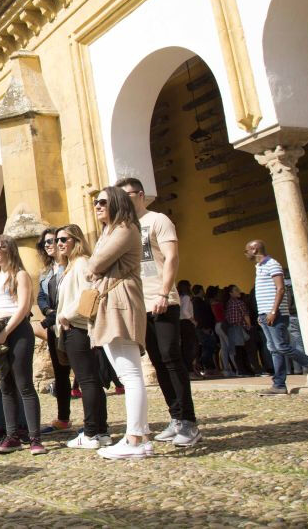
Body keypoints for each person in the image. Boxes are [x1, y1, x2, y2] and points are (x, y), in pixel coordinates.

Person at [116, 177, 200, 447]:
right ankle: (175, 418)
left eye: (127, 195)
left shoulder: (158, 220)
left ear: (140, 195)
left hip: (162, 299)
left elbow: (171, 256)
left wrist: (164, 292)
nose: (124, 201)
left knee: (171, 358)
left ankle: (189, 422)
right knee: (157, 360)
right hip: (139, 304)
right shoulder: (125, 228)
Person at [88, 187, 151, 460]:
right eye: (95, 202)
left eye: (102, 201)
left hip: (120, 300)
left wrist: (95, 266)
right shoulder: (110, 231)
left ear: (116, 202)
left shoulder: (124, 229)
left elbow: (95, 263)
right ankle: (141, 435)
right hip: (113, 298)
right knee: (128, 373)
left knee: (129, 375)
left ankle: (135, 438)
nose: (97, 206)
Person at [0, 237, 44, 455]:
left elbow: (23, 306)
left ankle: (35, 437)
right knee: (5, 386)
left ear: (10, 250)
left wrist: (6, 332)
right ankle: (12, 436)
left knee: (24, 385)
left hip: (17, 331)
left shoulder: (20, 275)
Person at [53, 224, 111, 449]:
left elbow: (89, 296)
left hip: (77, 328)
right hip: (73, 327)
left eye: (64, 239)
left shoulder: (81, 263)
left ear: (76, 240)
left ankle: (90, 432)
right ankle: (101, 431)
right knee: (91, 381)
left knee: (88, 381)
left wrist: (67, 316)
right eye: (58, 239)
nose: (59, 243)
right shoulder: (70, 266)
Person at [244, 240, 308, 395]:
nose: (245, 254)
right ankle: (279, 384)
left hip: (276, 314)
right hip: (265, 314)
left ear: (254, 250)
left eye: (246, 251)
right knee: (274, 349)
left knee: (281, 346)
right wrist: (261, 315)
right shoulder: (259, 267)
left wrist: (273, 312)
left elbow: (280, 289)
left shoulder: (272, 264)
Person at [35, 229, 72, 435]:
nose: (48, 245)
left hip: (71, 324)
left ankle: (96, 423)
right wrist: (49, 312)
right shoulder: (47, 272)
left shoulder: (71, 267)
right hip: (53, 325)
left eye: (52, 241)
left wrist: (56, 313)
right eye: (45, 243)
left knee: (85, 374)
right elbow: (41, 296)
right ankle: (63, 418)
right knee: (60, 374)